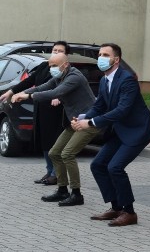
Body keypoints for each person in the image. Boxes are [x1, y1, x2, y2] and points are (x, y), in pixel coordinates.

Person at [71, 43, 150, 227]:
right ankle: (116, 207)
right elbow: (100, 105)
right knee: (98, 165)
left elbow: (122, 110)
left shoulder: (127, 80)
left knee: (115, 167)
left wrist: (91, 123)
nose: (101, 58)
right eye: (100, 54)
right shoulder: (104, 80)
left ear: (115, 60)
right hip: (119, 130)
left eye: (105, 54)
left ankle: (130, 212)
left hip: (137, 131)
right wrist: (83, 117)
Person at [13, 52, 96, 206]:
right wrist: (24, 92)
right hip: (74, 121)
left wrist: (29, 97)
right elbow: (44, 87)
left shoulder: (74, 77)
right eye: (50, 65)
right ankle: (62, 190)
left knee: (67, 154)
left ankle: (76, 194)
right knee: (54, 153)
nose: (52, 69)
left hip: (88, 122)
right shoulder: (60, 76)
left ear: (65, 65)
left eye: (54, 66)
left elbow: (55, 93)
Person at [0, 41, 70, 185]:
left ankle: (56, 174)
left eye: (60, 51)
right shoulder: (45, 66)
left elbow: (66, 87)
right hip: (41, 108)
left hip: (58, 112)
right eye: (54, 50)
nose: (56, 53)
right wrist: (11, 91)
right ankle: (49, 170)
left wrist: (59, 96)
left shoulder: (67, 69)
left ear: (66, 55)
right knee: (44, 141)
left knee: (54, 143)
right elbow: (30, 82)